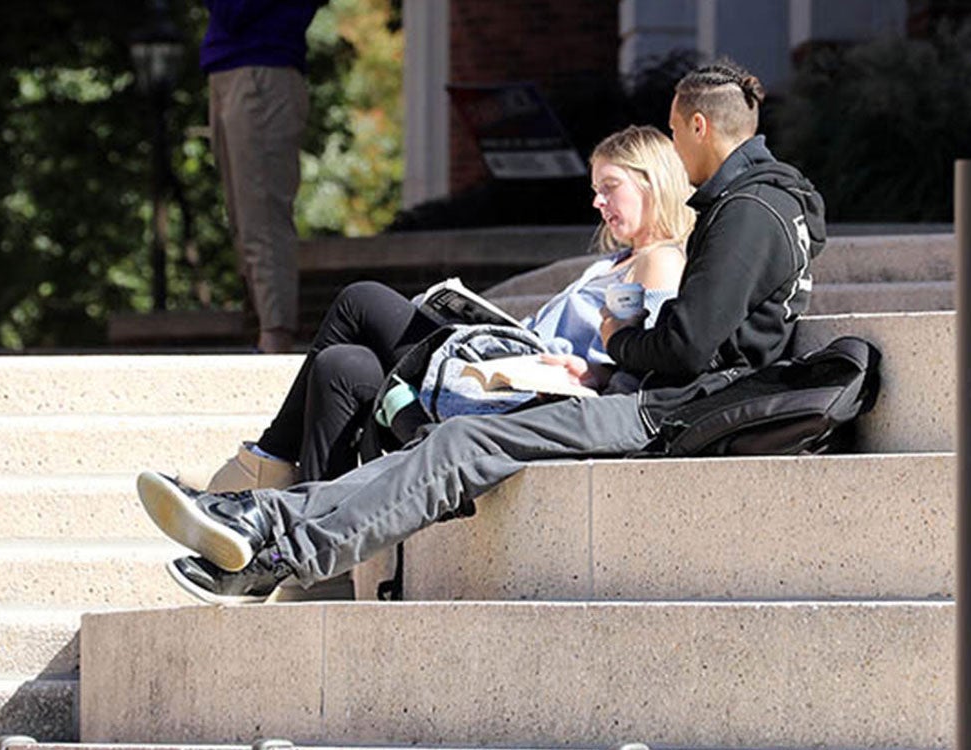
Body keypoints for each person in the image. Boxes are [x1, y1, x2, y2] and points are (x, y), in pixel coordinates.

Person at [137, 60, 826, 603]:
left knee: (451, 435)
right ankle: (258, 528)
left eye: (676, 135)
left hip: (661, 413)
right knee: (425, 420)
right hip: (655, 404)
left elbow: (684, 347)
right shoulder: (766, 207)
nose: (678, 151)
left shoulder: (748, 212)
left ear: (699, 126)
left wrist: (613, 342)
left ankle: (270, 543)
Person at [196, 125, 694, 491]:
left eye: (610, 187)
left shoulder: (661, 261)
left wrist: (590, 375)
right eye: (595, 190)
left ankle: (266, 464)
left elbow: (650, 360)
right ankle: (314, 540)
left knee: (360, 299)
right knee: (342, 365)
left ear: (652, 182)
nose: (598, 203)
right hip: (500, 367)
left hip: (528, 398)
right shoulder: (616, 260)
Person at [205, 0, 325, 353]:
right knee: (243, 219)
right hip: (231, 68)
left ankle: (274, 339)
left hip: (263, 73)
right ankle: (266, 331)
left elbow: (234, 11)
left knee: (262, 216)